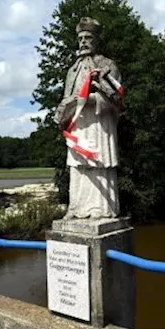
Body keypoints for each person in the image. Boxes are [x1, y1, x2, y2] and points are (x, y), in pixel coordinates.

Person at [56, 17, 124, 220]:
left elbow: (117, 99)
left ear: (96, 40)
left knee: (99, 162)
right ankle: (76, 207)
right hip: (78, 124)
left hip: (99, 123)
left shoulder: (106, 65)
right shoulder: (72, 71)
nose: (83, 41)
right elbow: (67, 98)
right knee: (78, 164)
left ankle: (101, 209)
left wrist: (92, 99)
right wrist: (65, 109)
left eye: (88, 37)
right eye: (80, 38)